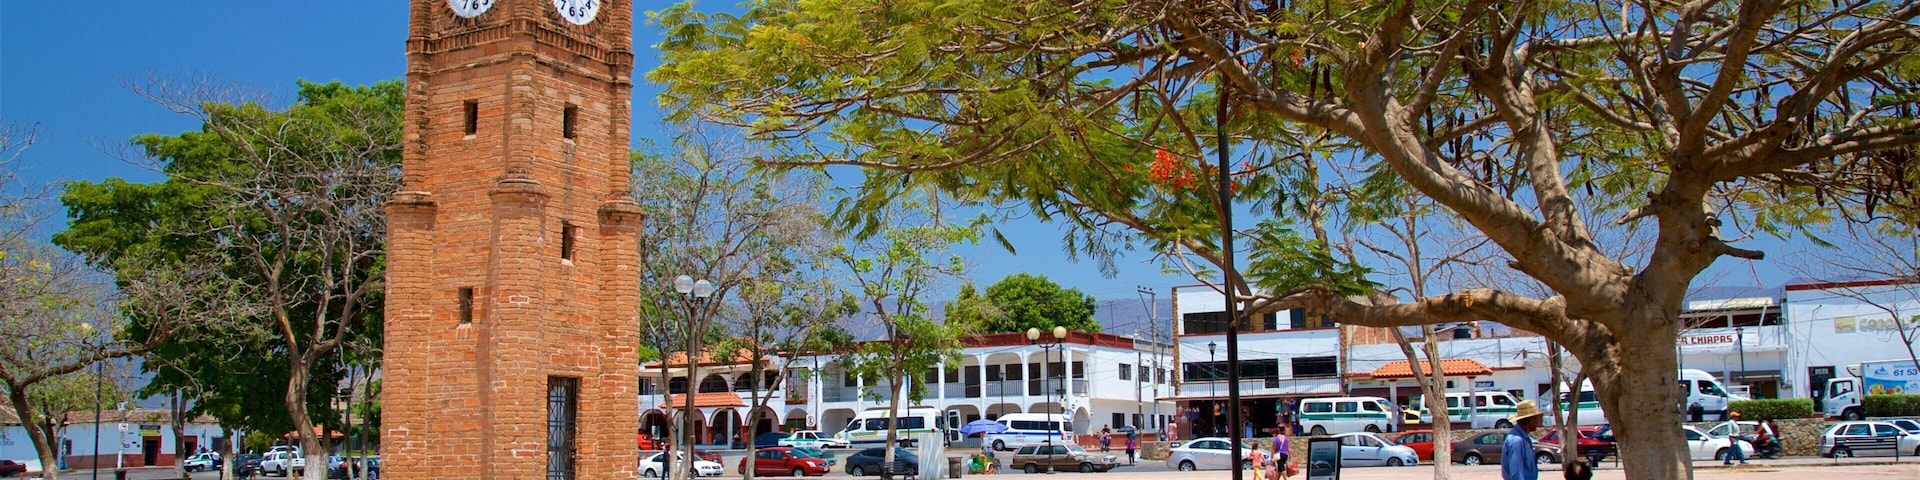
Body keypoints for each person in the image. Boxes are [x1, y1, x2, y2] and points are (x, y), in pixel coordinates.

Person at [1502, 399, 1545, 480]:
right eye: (1536, 418)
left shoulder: (1524, 439)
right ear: (1530, 420)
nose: (1538, 422)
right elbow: (1516, 473)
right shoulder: (1516, 441)